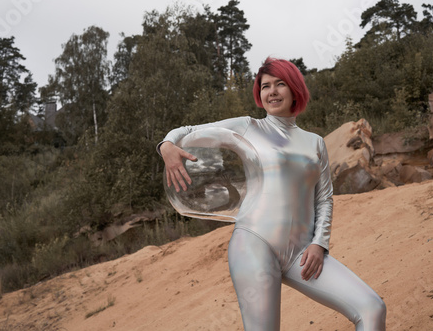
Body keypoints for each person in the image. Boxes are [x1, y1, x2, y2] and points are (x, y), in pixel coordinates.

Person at [158, 57, 386, 330]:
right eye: (265, 86)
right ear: (259, 94)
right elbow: (188, 132)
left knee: (372, 308)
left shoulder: (315, 143)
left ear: (294, 90)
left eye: (280, 84)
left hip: (303, 252)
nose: (272, 91)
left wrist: (319, 243)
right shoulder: (247, 128)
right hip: (254, 245)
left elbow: (324, 197)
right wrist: (167, 146)